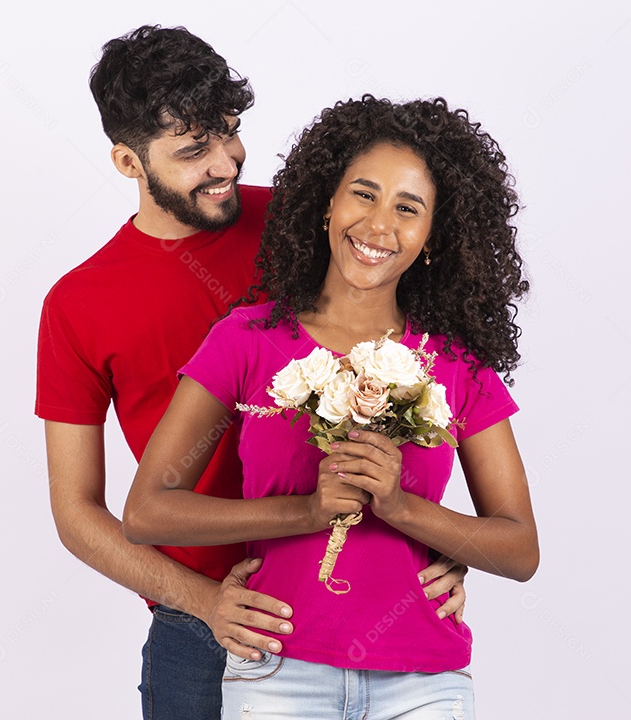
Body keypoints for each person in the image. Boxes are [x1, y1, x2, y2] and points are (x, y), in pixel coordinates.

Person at [36, 27, 468, 718]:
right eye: (192, 151)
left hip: (358, 604)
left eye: (230, 133)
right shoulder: (78, 304)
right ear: (127, 160)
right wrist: (205, 602)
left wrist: (438, 537)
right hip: (197, 629)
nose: (226, 162)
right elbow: (76, 512)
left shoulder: (307, 224)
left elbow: (424, 367)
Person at [123, 95, 540, 719]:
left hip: (424, 681)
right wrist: (305, 511)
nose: (378, 226)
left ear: (432, 236)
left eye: (408, 208)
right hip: (278, 672)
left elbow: (518, 549)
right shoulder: (248, 339)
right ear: (326, 205)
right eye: (363, 194)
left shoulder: (456, 365)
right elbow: (148, 512)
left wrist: (402, 508)